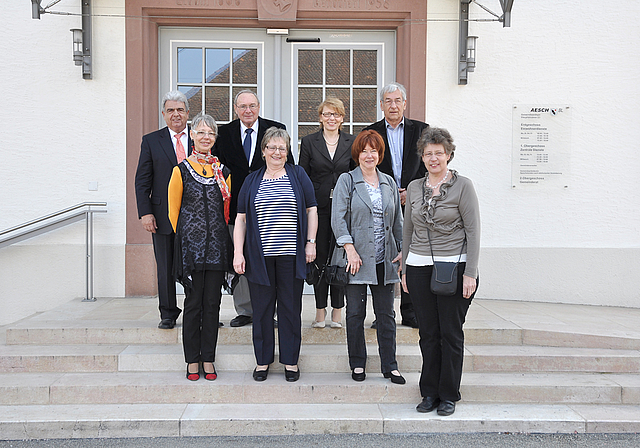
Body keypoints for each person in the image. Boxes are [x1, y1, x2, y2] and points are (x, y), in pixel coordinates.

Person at [401, 127, 480, 416]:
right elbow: (408, 229)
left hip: (455, 267)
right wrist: (405, 270)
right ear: (422, 157)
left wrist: (470, 272)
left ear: (448, 155)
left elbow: (473, 231)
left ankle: (449, 394)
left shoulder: (463, 186)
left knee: (450, 333)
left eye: (439, 153)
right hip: (419, 267)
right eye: (428, 153)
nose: (433, 158)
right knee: (428, 334)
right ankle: (429, 392)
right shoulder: (413, 188)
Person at [233, 127, 318, 382]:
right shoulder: (252, 180)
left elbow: (311, 210)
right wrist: (239, 252)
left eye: (282, 148)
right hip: (260, 257)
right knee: (261, 310)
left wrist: (310, 243)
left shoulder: (298, 174)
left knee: (290, 309)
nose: (277, 152)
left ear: (288, 151)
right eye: (272, 147)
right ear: (263, 151)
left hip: (291, 256)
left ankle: (291, 361)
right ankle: (263, 361)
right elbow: (240, 219)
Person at [331, 130, 405, 385]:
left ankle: (390, 365)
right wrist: (349, 248)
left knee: (386, 316)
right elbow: (337, 219)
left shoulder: (388, 182)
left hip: (385, 260)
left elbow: (398, 221)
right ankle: (358, 363)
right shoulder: (347, 180)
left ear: (380, 154)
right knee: (355, 314)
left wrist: (402, 250)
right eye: (364, 150)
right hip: (357, 260)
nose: (369, 155)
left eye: (374, 150)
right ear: (358, 154)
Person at [214, 90, 293, 328]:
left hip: (271, 209)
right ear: (235, 109)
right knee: (240, 258)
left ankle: (272, 310)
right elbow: (218, 170)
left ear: (259, 107)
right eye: (242, 106)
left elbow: (288, 164)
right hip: (235, 206)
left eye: (252, 106)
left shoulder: (275, 128)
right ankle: (245, 309)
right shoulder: (224, 133)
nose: (248, 111)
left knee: (270, 260)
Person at [168, 113, 231, 381]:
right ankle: (191, 361)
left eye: (211, 133)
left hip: (217, 248)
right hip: (191, 250)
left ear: (215, 139)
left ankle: (209, 359)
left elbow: (226, 213)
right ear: (192, 135)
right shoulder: (179, 170)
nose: (206, 137)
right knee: (193, 305)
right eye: (201, 132)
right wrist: (188, 240)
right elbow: (173, 214)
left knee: (212, 305)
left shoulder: (223, 172)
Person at [365, 82, 429, 329]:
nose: (393, 105)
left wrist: (410, 192)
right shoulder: (371, 132)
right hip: (382, 203)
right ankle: (383, 313)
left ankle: (411, 312)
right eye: (387, 101)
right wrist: (391, 193)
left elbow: (428, 166)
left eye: (397, 100)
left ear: (404, 103)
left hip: (415, 203)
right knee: (384, 255)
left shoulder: (422, 131)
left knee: (411, 255)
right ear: (381, 105)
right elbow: (367, 166)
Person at [135, 91, 191, 329]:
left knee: (195, 266)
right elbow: (142, 180)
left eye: (180, 110)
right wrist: (145, 212)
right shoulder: (151, 140)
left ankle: (198, 311)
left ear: (188, 113)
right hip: (162, 215)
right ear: (163, 114)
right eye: (170, 110)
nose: (175, 114)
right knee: (165, 267)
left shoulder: (200, 137)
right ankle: (168, 313)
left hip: (195, 216)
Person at [299, 98, 354, 329]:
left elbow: (355, 173)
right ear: (320, 117)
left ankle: (338, 312)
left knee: (340, 259)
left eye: (337, 114)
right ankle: (320, 311)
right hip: (318, 208)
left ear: (342, 118)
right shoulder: (310, 142)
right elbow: (303, 174)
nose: (332, 118)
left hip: (344, 208)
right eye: (327, 114)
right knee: (320, 259)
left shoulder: (352, 141)